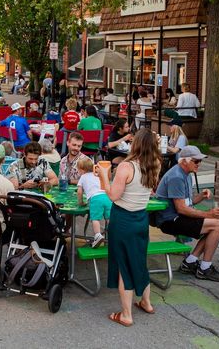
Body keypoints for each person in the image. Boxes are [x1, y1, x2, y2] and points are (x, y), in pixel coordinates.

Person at [96, 128, 160, 326]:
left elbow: (113, 196)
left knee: (124, 266)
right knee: (139, 261)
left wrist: (104, 176)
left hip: (123, 219)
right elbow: (149, 191)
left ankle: (126, 314)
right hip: (141, 218)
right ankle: (146, 302)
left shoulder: (126, 166)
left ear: (136, 144)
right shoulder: (156, 164)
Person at [155, 146, 219, 282]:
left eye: (200, 161)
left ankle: (190, 262)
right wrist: (208, 214)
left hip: (178, 216)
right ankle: (204, 268)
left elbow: (188, 203)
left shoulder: (185, 174)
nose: (199, 164)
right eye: (196, 161)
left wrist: (201, 196)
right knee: (217, 226)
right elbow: (182, 208)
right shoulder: (176, 176)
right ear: (184, 161)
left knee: (215, 227)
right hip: (170, 220)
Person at [77, 157, 112, 248]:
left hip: (95, 198)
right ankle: (114, 233)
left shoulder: (83, 177)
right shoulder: (98, 174)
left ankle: (97, 235)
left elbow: (79, 192)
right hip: (107, 197)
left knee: (95, 218)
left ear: (82, 170)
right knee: (109, 218)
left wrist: (81, 202)